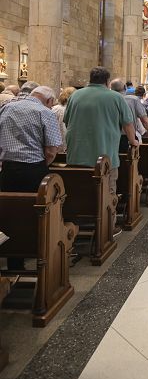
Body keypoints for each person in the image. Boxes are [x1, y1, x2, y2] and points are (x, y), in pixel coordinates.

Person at [65, 67, 138, 235]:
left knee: (80, 190)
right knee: (108, 190)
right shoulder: (115, 97)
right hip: (105, 156)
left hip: (76, 156)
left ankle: (79, 222)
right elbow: (128, 123)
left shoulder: (75, 95)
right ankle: (107, 228)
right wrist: (133, 141)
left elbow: (67, 120)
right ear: (107, 81)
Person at [0, 85, 62, 270]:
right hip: (34, 170)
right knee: (37, 215)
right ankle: (39, 255)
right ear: (49, 100)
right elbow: (51, 150)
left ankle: (14, 261)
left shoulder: (6, 108)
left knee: (9, 214)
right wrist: (43, 165)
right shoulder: (45, 112)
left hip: (8, 169)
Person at [110, 79, 148, 145]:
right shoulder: (133, 99)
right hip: (128, 136)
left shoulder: (107, 100)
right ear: (125, 88)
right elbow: (144, 119)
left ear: (111, 89)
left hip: (111, 137)